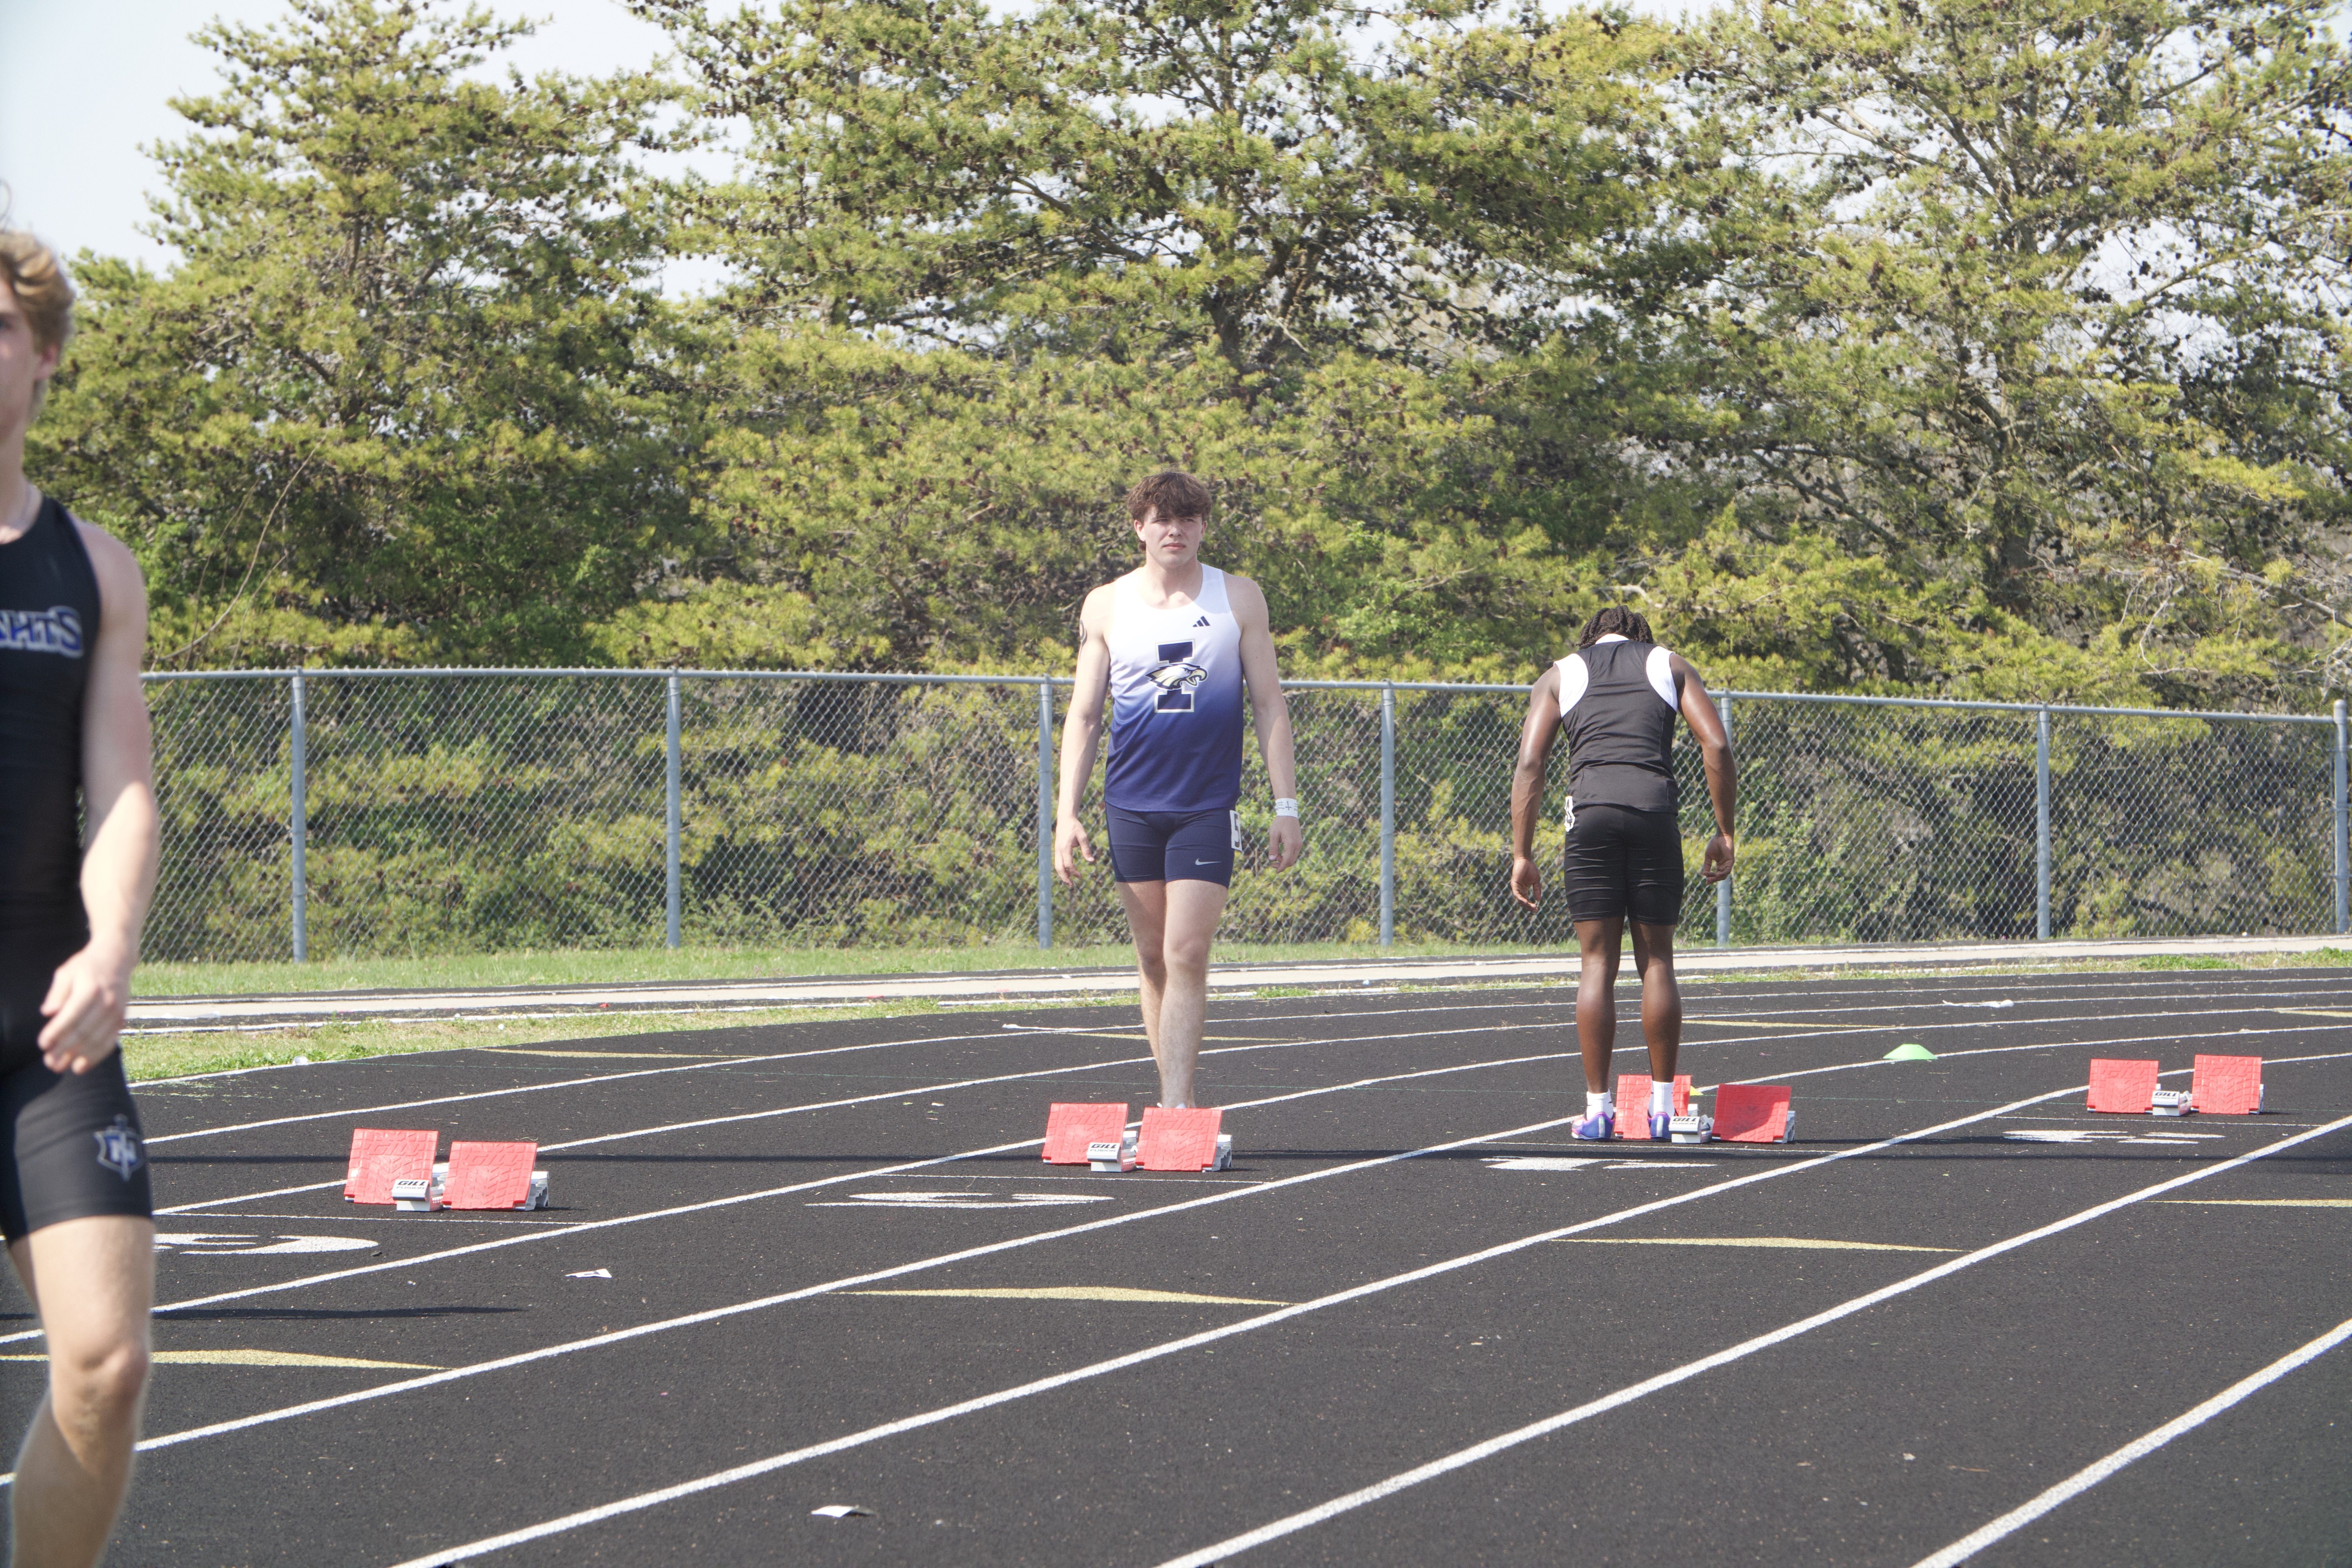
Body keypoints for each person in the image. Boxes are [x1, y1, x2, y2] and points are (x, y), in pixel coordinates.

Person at [0, 228, 162, 1568]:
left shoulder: (92, 568)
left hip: (39, 1026)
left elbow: (119, 790)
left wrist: (112, 947)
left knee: (104, 1370)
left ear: (42, 357)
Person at [1054, 471, 1302, 1108]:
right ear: (1139, 527)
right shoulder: (1106, 605)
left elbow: (1271, 704)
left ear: (1203, 528)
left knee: (1187, 950)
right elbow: (1084, 714)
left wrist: (1285, 806)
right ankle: (1172, 1099)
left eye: (1189, 519)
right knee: (1152, 956)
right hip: (1130, 805)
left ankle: (1175, 1105)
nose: (1176, 531)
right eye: (1163, 519)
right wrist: (1066, 814)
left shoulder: (1238, 598)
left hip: (1206, 806)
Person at [1508, 605, 1734, 1139]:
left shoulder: (1561, 673)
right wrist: (1724, 829)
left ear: (1590, 638)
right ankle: (1661, 1110)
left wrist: (1522, 853)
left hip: (1589, 816)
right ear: (1641, 638)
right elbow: (1717, 744)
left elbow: (1530, 764)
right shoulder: (1669, 665)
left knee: (1596, 965)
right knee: (1657, 961)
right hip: (1655, 814)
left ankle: (1599, 1111)